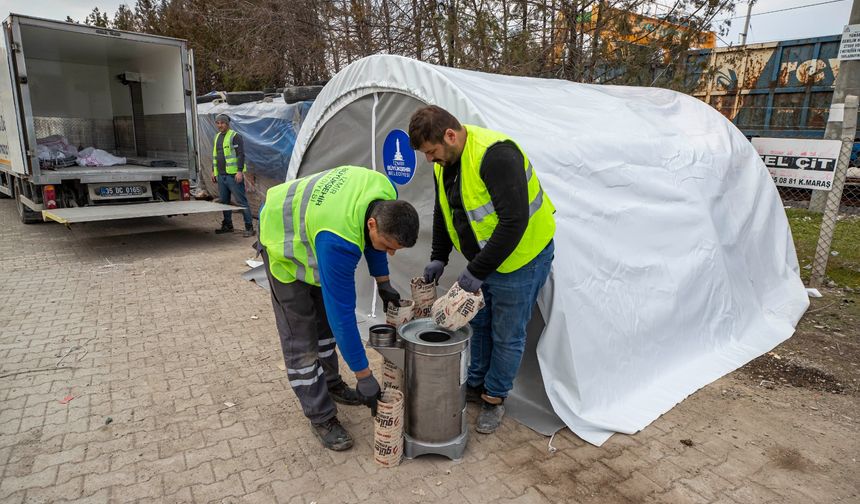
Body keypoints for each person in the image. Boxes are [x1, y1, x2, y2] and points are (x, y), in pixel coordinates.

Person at [409, 105, 555, 434]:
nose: (430, 160)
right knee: (481, 322)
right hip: (486, 260)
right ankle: (475, 384)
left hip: (522, 258)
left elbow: (514, 221)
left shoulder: (496, 156)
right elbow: (444, 210)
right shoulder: (444, 161)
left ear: (450, 135)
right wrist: (439, 256)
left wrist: (477, 270)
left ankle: (494, 398)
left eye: (431, 152)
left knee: (507, 332)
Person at [258, 166, 419, 451]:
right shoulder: (338, 241)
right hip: (284, 244)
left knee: (324, 329)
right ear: (372, 225)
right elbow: (343, 316)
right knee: (302, 340)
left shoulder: (384, 192)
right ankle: (321, 416)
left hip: (313, 230)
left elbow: (375, 243)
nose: (390, 253)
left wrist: (383, 282)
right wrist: (364, 375)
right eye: (388, 246)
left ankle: (331, 383)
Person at [212, 114, 254, 237]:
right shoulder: (217, 137)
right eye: (218, 123)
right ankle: (227, 225)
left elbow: (240, 155)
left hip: (233, 175)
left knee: (241, 201)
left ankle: (249, 227)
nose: (220, 125)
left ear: (227, 124)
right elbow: (215, 155)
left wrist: (239, 171)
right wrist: (213, 171)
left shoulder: (235, 136)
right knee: (224, 202)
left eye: (222, 123)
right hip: (221, 175)